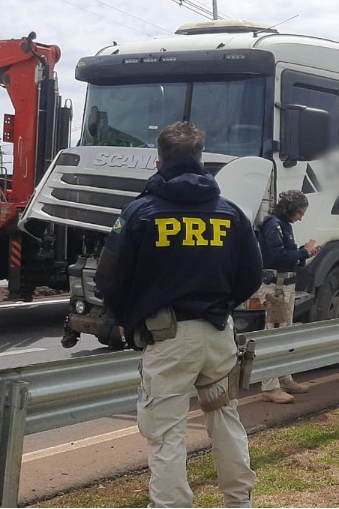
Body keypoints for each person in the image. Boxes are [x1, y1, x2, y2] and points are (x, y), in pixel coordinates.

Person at [95, 121, 262, 508]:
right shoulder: (230, 213)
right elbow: (252, 276)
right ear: (201, 160)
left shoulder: (140, 213)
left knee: (167, 434)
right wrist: (220, 305)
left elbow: (109, 278)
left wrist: (125, 316)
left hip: (167, 339)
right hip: (218, 335)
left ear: (159, 162)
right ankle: (240, 501)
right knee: (225, 421)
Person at [256, 189, 322, 404]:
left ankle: (284, 378)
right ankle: (269, 386)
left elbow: (288, 254)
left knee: (284, 333)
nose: (300, 217)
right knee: (274, 334)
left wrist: (304, 252)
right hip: (276, 286)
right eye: (300, 213)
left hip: (285, 285)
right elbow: (277, 256)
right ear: (290, 209)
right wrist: (304, 252)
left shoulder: (283, 225)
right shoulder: (272, 225)